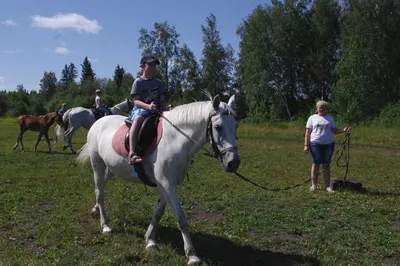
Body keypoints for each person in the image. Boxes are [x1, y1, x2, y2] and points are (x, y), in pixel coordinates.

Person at [128, 54, 170, 164]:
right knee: (137, 120)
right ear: (142, 66)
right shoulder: (138, 82)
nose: (153, 67)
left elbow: (162, 99)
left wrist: (167, 106)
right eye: (150, 65)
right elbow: (136, 101)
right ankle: (132, 153)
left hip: (157, 109)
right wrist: (148, 106)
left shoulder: (159, 83)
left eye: (155, 65)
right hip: (141, 109)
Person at [304, 100, 351, 193]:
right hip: (315, 144)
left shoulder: (330, 118)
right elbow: (307, 132)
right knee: (315, 164)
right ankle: (314, 185)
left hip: (328, 145)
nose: (321, 109)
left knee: (326, 165)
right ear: (317, 108)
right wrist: (306, 145)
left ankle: (327, 186)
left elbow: (335, 130)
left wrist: (343, 130)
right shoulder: (312, 118)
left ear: (326, 109)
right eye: (319, 107)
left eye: (323, 107)